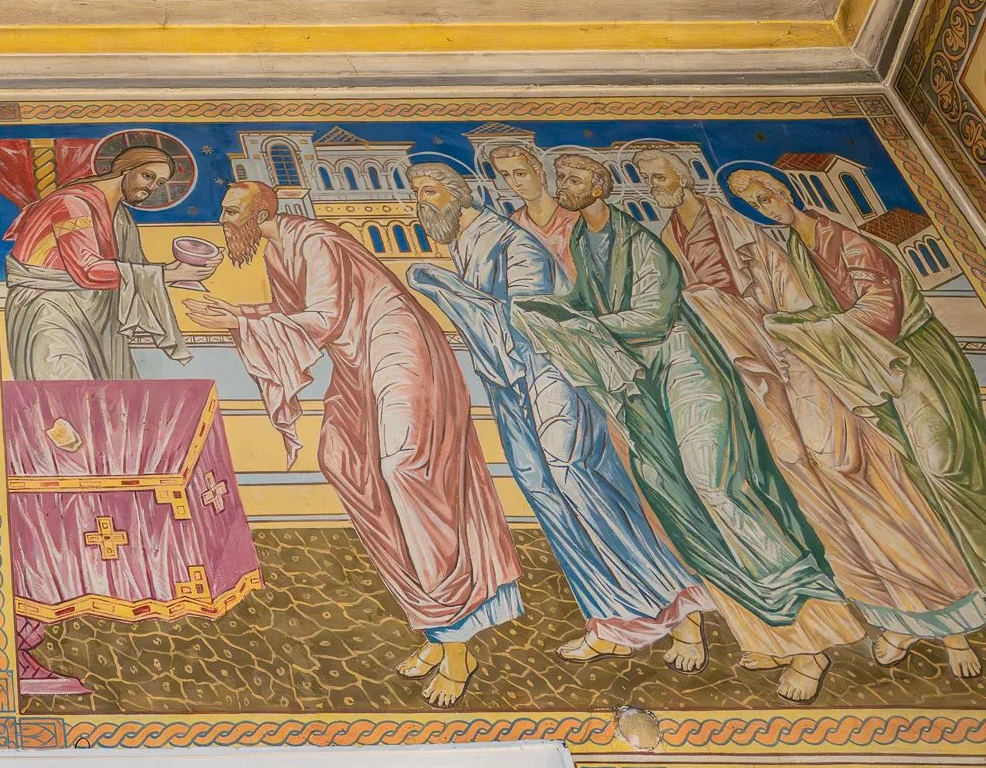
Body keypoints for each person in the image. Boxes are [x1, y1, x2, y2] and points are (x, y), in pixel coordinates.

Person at [514, 154, 855, 702]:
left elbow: (652, 314)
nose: (564, 187)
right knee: (679, 504)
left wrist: (583, 322)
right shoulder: (583, 239)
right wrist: (547, 309)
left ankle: (813, 639)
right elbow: (584, 301)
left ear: (600, 185)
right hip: (645, 382)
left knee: (716, 485)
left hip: (687, 366)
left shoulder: (638, 242)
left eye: (575, 179)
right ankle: (771, 631)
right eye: (563, 180)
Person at [642, 154, 986, 679]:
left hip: (807, 367)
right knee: (820, 508)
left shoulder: (750, 235)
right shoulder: (670, 239)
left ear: (684, 176)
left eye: (658, 175)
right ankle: (896, 618)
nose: (652, 186)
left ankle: (952, 622)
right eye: (646, 179)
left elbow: (803, 307)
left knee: (868, 483)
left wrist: (779, 336)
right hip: (755, 381)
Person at [183, 181, 522, 708]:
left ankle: (459, 644)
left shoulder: (316, 240)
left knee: (406, 469)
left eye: (232, 212)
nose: (223, 222)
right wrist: (240, 315)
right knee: (343, 461)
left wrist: (239, 320)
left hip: (398, 347)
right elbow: (293, 311)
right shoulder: (278, 251)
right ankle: (436, 626)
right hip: (357, 361)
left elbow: (320, 319)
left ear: (263, 210)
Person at [403, 165, 710, 665]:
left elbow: (532, 318)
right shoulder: (464, 244)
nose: (421, 204)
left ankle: (682, 611)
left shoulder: (510, 241)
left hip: (551, 373)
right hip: (508, 382)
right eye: (417, 195)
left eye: (430, 192)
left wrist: (445, 287)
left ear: (459, 194)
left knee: (580, 480)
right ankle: (612, 618)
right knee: (545, 493)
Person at [727, 169, 986, 606]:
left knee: (945, 465)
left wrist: (809, 331)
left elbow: (883, 312)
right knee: (917, 470)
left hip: (911, 356)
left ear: (783, 190)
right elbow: (824, 310)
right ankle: (975, 576)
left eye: (765, 198)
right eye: (755, 205)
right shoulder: (797, 247)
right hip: (871, 366)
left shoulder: (845, 240)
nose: (764, 208)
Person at [2, 146, 207, 379]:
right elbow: (87, 270)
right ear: (125, 169)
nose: (152, 187)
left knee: (103, 393)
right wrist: (169, 273)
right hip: (50, 310)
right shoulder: (71, 204)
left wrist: (184, 272)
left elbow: (136, 267)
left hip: (97, 316)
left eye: (159, 183)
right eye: (147, 176)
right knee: (65, 385)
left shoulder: (120, 217)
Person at [487, 141, 577, 278]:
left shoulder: (575, 214)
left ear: (538, 173)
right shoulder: (515, 224)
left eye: (521, 173)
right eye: (506, 175)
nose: (515, 183)